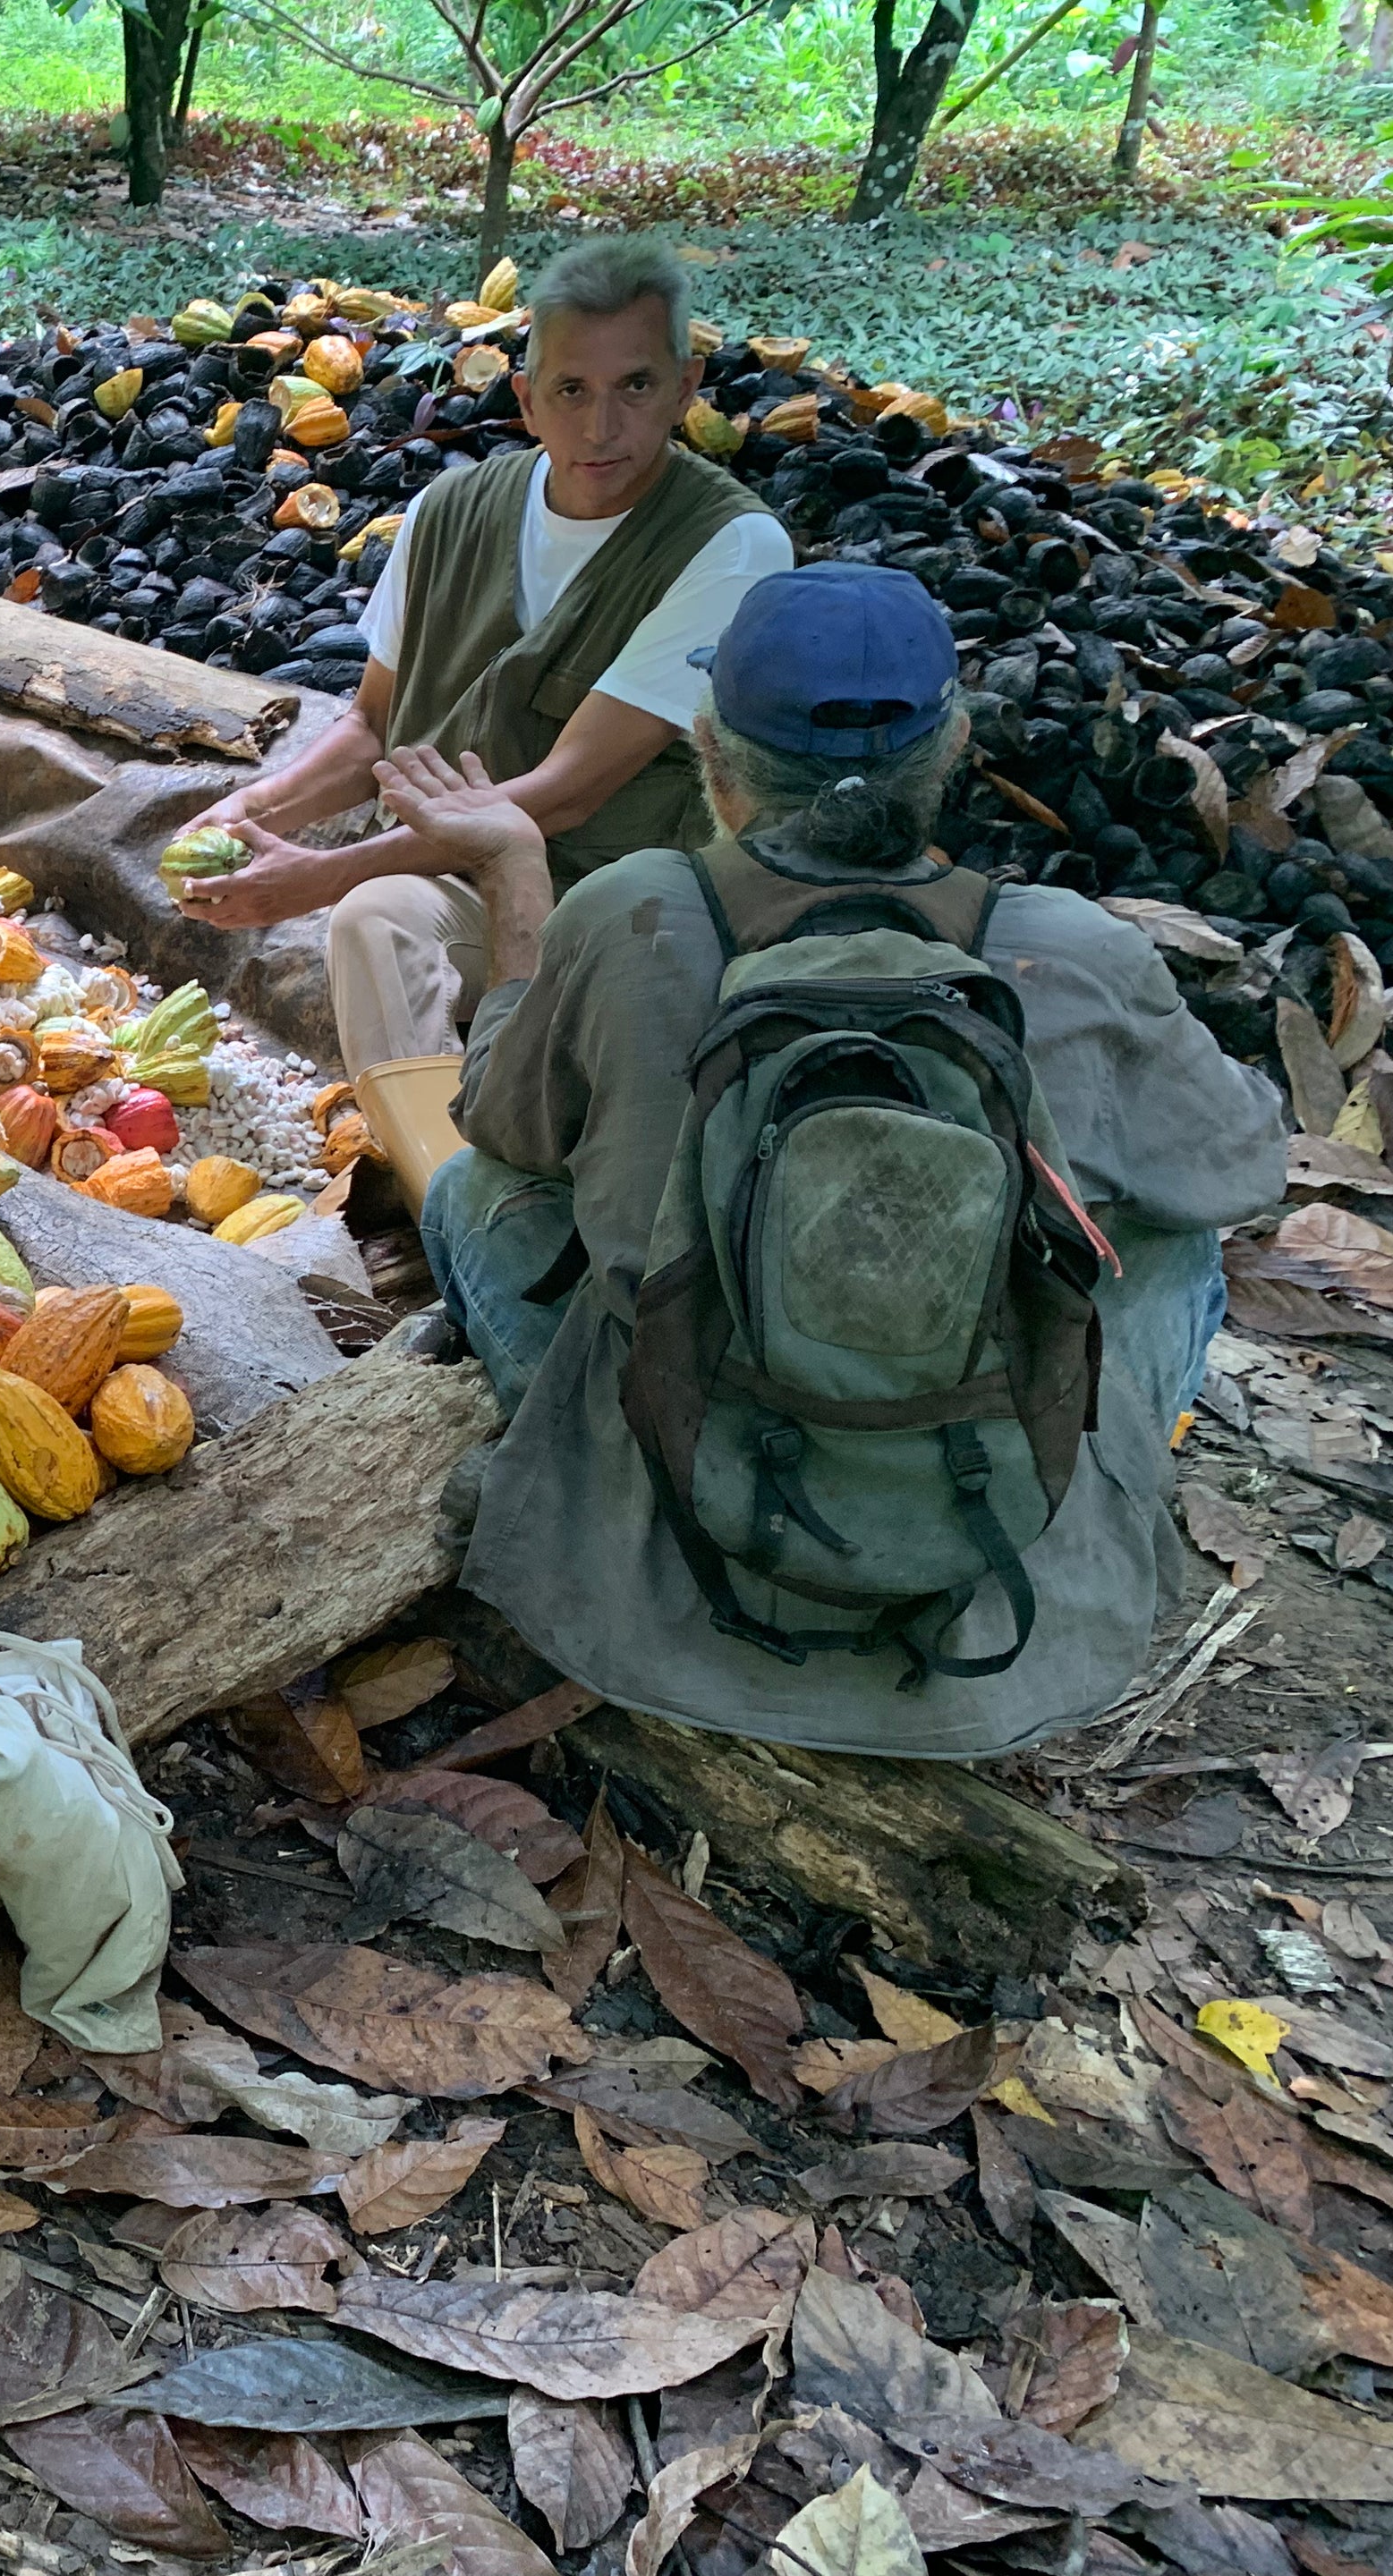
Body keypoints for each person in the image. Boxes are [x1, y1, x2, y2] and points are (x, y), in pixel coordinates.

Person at [401, 562, 1283, 1759]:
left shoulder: (629, 915)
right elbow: (1243, 1168)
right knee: (1176, 1240)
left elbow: (501, 1123)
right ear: (954, 746)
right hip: (988, 1570)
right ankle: (1051, 1514)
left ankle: (590, 1491)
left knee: (480, 1189)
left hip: (682, 1548)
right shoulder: (1072, 949)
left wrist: (517, 886)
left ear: (713, 757)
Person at [172, 235, 794, 1206]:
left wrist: (318, 875)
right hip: (456, 875)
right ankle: (452, 1198)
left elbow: (567, 792)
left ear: (685, 388)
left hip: (619, 902)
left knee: (358, 897)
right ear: (527, 398)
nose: (602, 425)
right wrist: (252, 813)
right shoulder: (450, 510)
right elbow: (372, 729)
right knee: (381, 920)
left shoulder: (733, 544)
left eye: (636, 386)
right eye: (572, 390)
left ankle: (519, 1194)